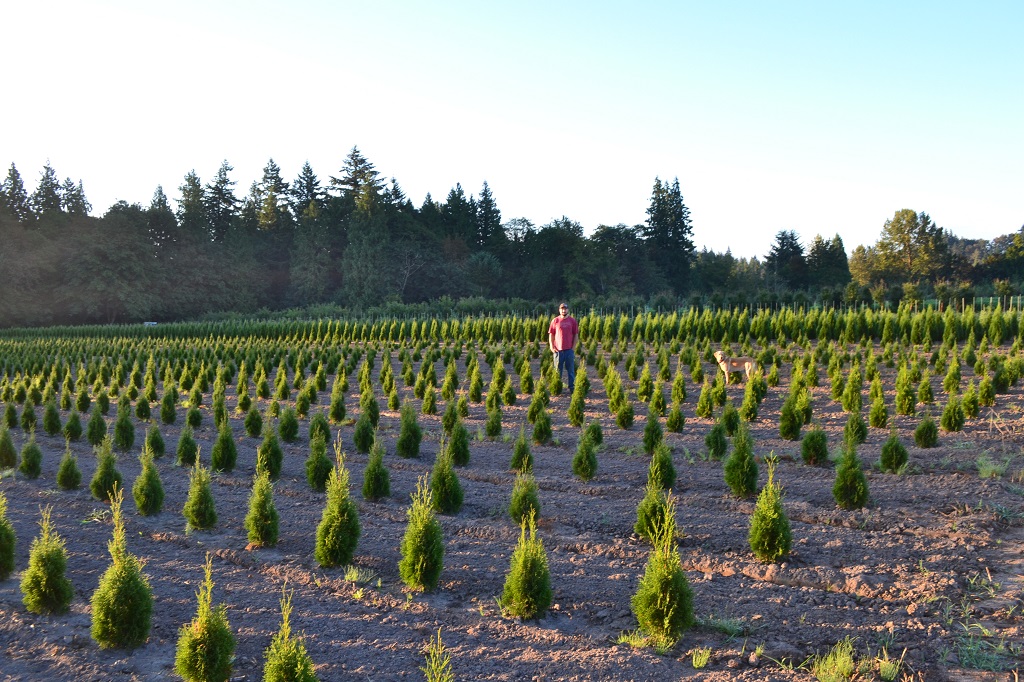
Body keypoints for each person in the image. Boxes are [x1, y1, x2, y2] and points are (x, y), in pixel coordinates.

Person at [548, 302, 579, 391]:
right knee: (557, 370)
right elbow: (551, 334)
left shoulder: (572, 321)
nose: (563, 310)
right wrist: (551, 346)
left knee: (571, 370)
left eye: (565, 309)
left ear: (567, 310)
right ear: (559, 310)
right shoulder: (555, 321)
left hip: (569, 350)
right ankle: (557, 388)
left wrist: (573, 348)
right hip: (558, 350)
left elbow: (575, 335)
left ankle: (572, 387)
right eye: (562, 309)